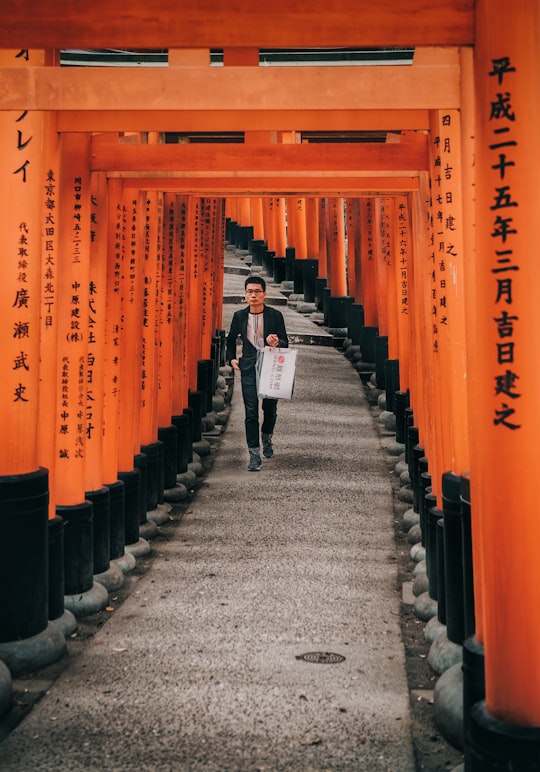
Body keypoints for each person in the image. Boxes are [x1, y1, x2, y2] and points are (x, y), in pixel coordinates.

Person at [226, 275, 289, 471]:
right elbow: (230, 341)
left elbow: (286, 342)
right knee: (251, 411)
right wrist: (232, 359)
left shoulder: (275, 316)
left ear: (264, 294)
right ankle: (254, 454)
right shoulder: (239, 316)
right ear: (245, 294)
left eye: (257, 291)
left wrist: (276, 342)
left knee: (269, 409)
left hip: (270, 366)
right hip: (248, 367)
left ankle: (267, 438)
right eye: (249, 292)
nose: (253, 295)